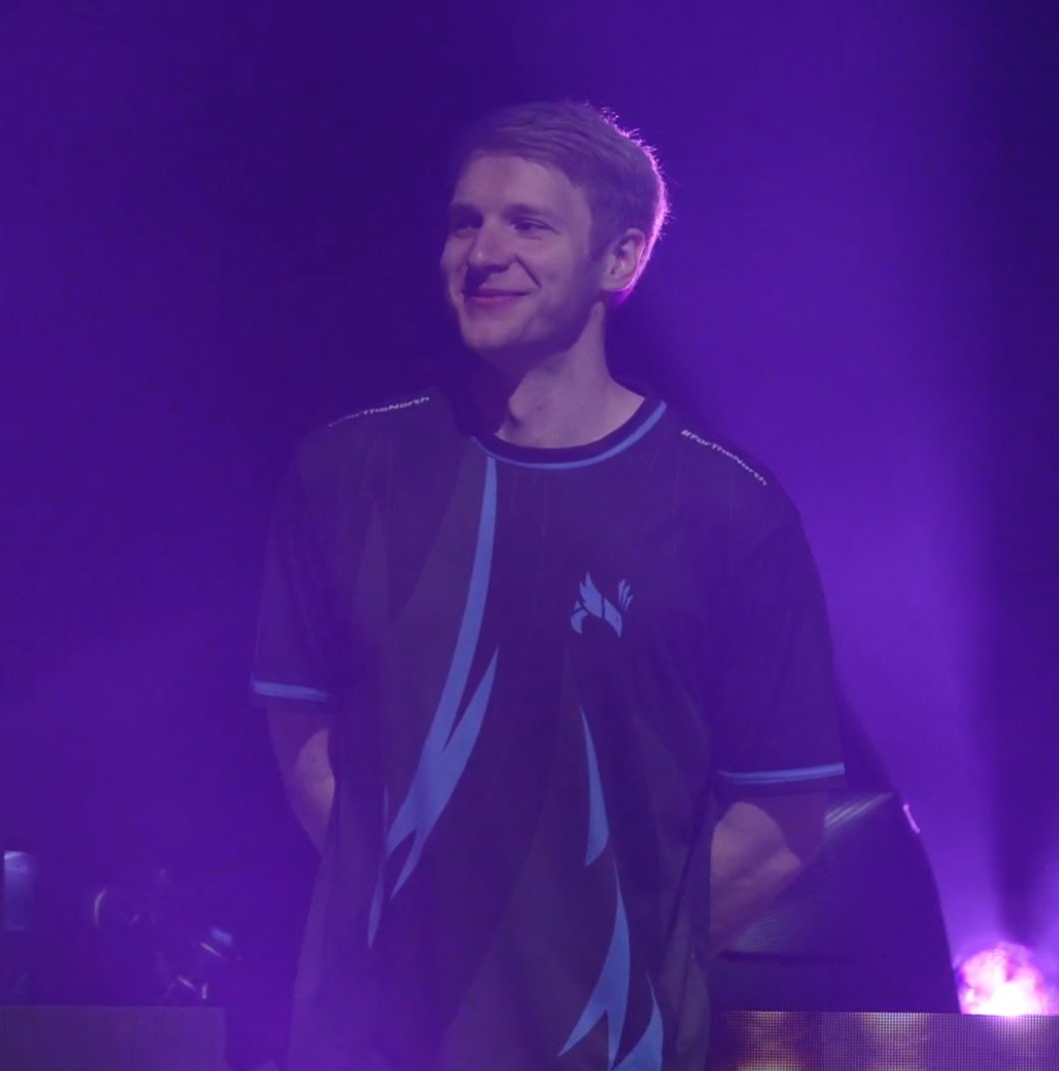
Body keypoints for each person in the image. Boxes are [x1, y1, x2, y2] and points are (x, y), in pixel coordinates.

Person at [251, 100, 845, 1071]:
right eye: (465, 222)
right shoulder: (345, 472)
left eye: (528, 223)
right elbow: (306, 742)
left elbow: (783, 824)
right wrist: (421, 932)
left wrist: (611, 960)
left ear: (620, 259)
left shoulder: (726, 507)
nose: (484, 252)